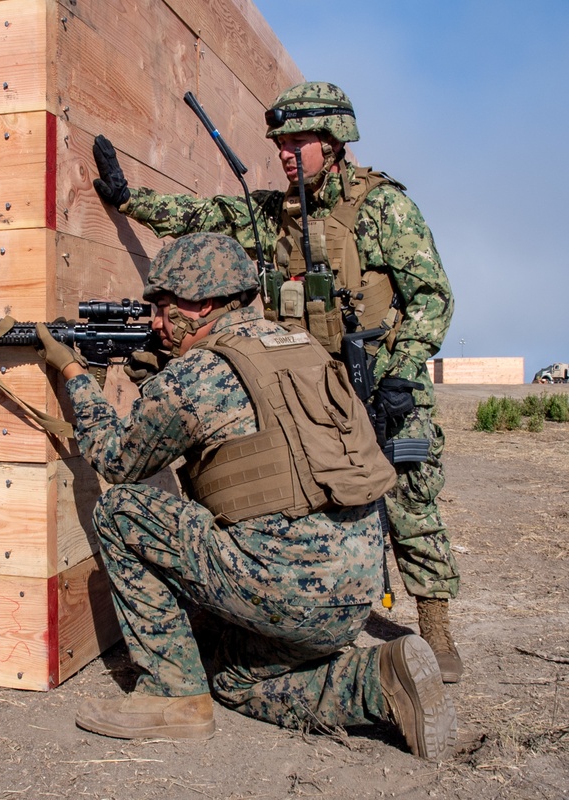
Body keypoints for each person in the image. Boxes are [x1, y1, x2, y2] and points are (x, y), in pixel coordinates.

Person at [91, 81, 463, 683]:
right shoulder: (273, 214)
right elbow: (205, 214)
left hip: (383, 379)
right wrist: (131, 200)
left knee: (411, 496)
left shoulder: (384, 208)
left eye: (299, 141)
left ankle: (436, 632)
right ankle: (310, 600)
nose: (286, 153)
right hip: (312, 387)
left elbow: (433, 299)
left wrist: (404, 368)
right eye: (280, 143)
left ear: (335, 142)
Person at [34, 232, 457, 759]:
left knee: (123, 512)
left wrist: (73, 371)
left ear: (204, 304)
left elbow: (117, 461)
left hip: (288, 588)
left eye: (164, 308)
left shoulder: (201, 372)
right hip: (354, 594)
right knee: (235, 679)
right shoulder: (301, 347)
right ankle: (378, 680)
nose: (157, 323)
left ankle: (170, 698)